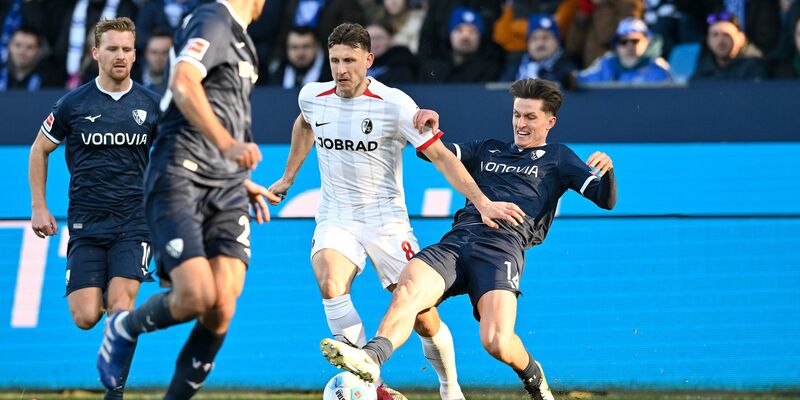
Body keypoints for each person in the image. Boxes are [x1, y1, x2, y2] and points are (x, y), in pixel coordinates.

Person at [268, 22, 523, 400]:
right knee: (330, 283)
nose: (341, 70)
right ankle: (372, 383)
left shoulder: (395, 105)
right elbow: (304, 123)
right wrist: (288, 177)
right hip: (336, 214)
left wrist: (482, 202)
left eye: (350, 61)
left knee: (422, 316)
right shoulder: (313, 95)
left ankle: (450, 387)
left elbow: (439, 156)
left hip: (386, 220)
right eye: (335, 60)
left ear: (368, 60)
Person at [319, 78, 618, 400]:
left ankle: (536, 380)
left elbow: (606, 200)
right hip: (456, 242)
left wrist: (608, 172)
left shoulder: (558, 157)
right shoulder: (488, 148)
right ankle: (371, 356)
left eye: (530, 117)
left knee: (497, 342)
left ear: (550, 121)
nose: (521, 123)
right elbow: (432, 154)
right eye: (517, 115)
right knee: (406, 291)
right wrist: (425, 126)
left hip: (501, 249)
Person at [96, 1, 279, 397]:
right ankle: (123, 327)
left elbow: (223, 111)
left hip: (225, 183)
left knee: (222, 306)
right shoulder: (212, 18)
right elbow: (182, 83)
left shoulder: (243, 39)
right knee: (197, 295)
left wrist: (237, 174)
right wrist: (228, 145)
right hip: (181, 173)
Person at [28, 17, 160, 400]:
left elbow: (175, 154)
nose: (120, 56)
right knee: (86, 316)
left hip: (134, 223)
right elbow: (40, 149)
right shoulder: (73, 103)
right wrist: (39, 205)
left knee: (121, 307)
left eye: (127, 49)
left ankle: (113, 393)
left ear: (135, 54)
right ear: (95, 52)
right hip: (87, 224)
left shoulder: (151, 105)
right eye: (112, 49)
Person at [576, 17, 673, 84]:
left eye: (635, 41)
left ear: (647, 41)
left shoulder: (658, 68)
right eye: (623, 41)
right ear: (616, 45)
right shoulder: (606, 65)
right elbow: (580, 80)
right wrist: (568, 77)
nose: (629, 45)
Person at [500, 14, 576, 86]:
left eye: (545, 38)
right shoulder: (516, 67)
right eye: (534, 39)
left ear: (557, 41)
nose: (540, 43)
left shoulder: (566, 67)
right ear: (528, 43)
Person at [691, 11, 768, 81]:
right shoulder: (703, 68)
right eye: (715, 35)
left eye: (726, 35)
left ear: (741, 38)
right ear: (708, 40)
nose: (721, 40)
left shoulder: (753, 67)